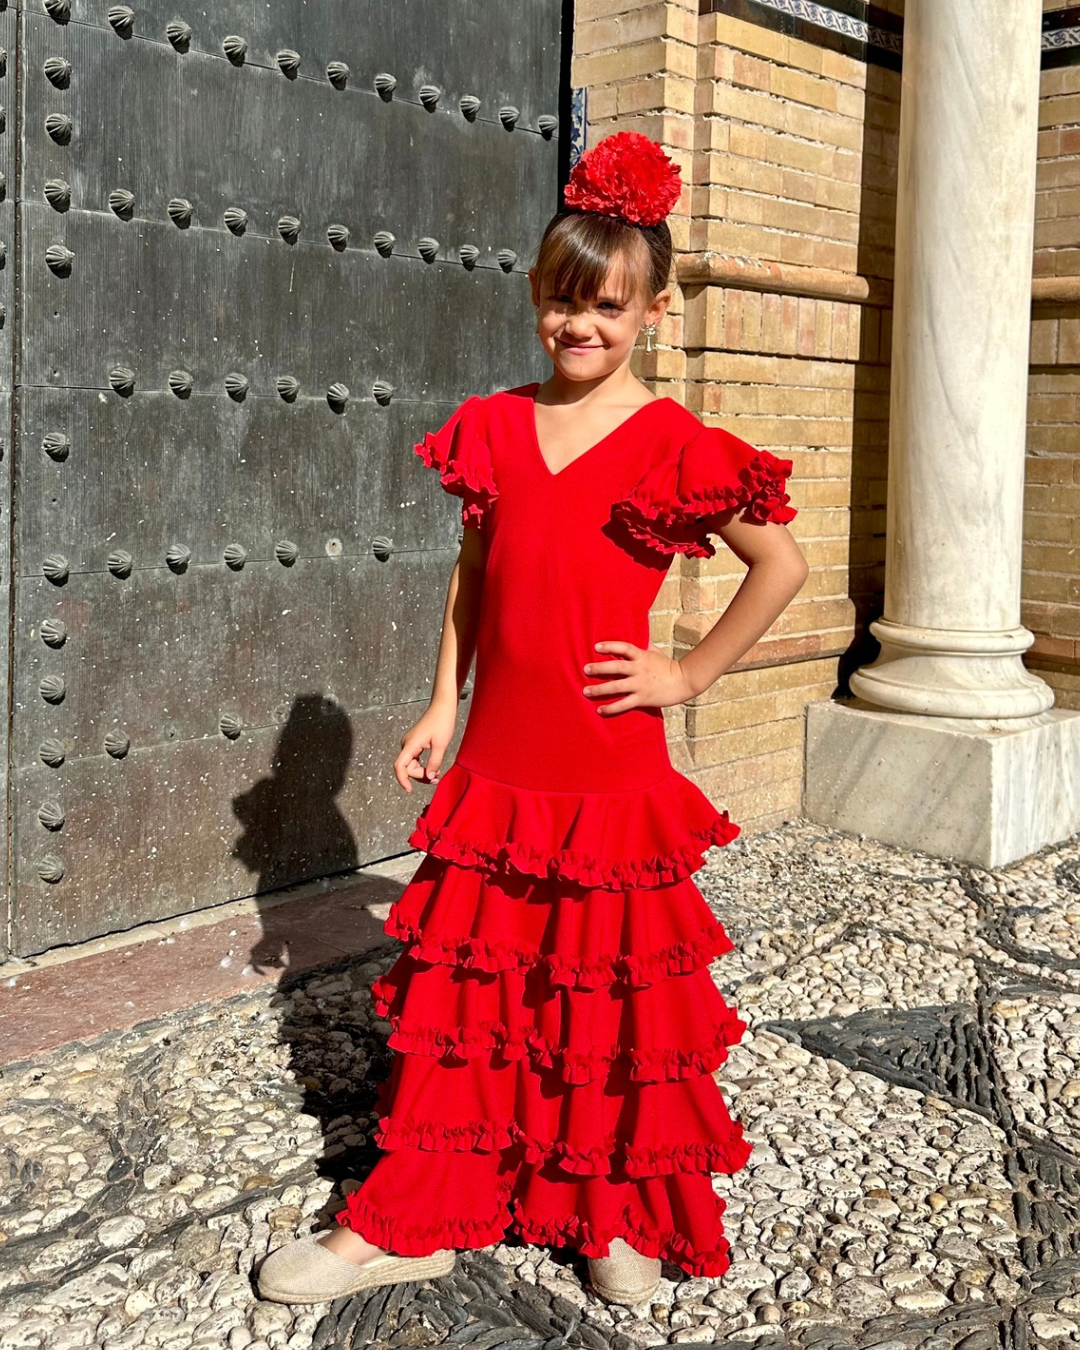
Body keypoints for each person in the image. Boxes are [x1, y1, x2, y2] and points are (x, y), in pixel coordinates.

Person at [258, 131, 809, 1308]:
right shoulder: (494, 426)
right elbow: (474, 576)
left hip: (609, 763)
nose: (581, 329)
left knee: (605, 991)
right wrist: (439, 701)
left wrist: (690, 674)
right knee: (469, 995)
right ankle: (417, 1215)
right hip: (501, 758)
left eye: (608, 308)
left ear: (654, 312)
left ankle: (605, 1204)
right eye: (564, 303)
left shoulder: (679, 446)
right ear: (536, 300)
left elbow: (783, 565)